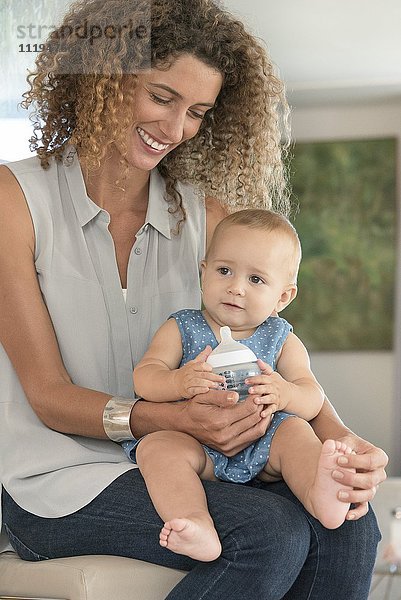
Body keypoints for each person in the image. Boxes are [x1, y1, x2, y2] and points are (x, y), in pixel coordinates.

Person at [0, 0, 386, 598]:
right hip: (56, 482)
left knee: (352, 531)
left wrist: (342, 441)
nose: (177, 128)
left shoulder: (207, 219)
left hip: (194, 460)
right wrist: (173, 417)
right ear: (105, 78)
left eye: (198, 112)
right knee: (270, 531)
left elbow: (273, 354)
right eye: (162, 97)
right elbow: (49, 398)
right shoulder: (15, 200)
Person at [130, 208, 356, 562]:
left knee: (296, 430)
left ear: (283, 297)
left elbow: (312, 397)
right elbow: (145, 377)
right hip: (197, 444)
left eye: (256, 280)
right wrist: (177, 380)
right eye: (224, 271)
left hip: (264, 444)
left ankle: (320, 494)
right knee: (157, 448)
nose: (236, 287)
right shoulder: (182, 326)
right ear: (203, 272)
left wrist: (285, 392)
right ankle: (194, 520)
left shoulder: (280, 337)